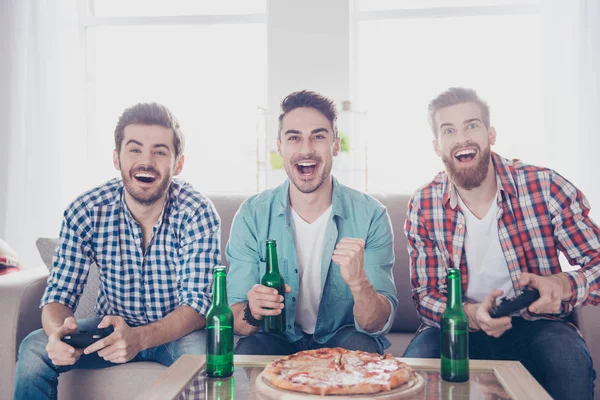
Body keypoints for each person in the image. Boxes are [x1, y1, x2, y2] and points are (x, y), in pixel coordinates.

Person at [14, 102, 221, 400]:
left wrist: (139, 338)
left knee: (205, 354)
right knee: (34, 348)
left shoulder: (197, 212)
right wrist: (59, 332)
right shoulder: (85, 210)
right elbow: (58, 295)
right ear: (116, 158)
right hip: (108, 331)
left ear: (177, 164)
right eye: (134, 149)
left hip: (177, 334)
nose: (146, 161)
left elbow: (199, 305)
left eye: (160, 151)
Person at [403, 87, 598, 399]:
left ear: (490, 134)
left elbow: (597, 263)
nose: (462, 138)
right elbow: (425, 295)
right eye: (449, 130)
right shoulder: (423, 204)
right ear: (436, 145)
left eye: (472, 125)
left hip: (535, 323)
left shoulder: (545, 186)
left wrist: (563, 284)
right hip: (461, 325)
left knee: (568, 359)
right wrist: (471, 314)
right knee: (415, 363)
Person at [226, 90, 397, 355]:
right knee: (246, 352)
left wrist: (359, 282)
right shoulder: (252, 215)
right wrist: (252, 310)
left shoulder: (371, 215)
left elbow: (376, 324)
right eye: (294, 138)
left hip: (345, 334)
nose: (306, 149)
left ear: (335, 145)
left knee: (364, 349)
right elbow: (236, 320)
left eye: (318, 136)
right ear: (279, 146)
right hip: (276, 336)